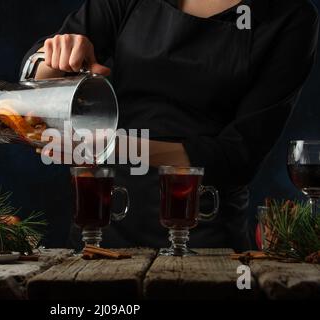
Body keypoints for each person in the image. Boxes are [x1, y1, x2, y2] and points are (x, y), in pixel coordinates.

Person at [21, 0, 319, 251]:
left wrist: (114, 147)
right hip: (100, 224)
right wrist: (54, 56)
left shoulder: (291, 17)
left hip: (203, 233)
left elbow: (238, 155)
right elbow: (36, 80)